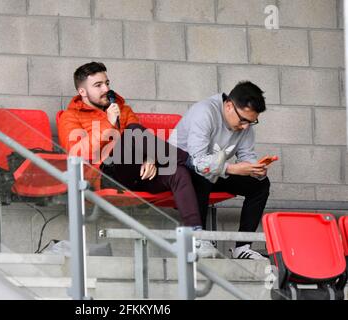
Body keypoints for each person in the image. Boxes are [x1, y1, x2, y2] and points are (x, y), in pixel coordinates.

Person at [58, 61, 218, 257]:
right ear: (82, 92)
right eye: (98, 85)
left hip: (137, 172)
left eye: (107, 82)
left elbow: (145, 140)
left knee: (178, 172)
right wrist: (108, 123)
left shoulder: (122, 109)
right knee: (132, 132)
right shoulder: (71, 116)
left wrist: (151, 158)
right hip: (105, 174)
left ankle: (195, 238)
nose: (106, 89)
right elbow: (75, 153)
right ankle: (194, 162)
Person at [169, 81, 270, 260]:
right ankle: (198, 239)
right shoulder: (205, 112)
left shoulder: (244, 125)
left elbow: (246, 154)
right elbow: (197, 161)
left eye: (252, 122)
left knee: (260, 185)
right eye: (243, 120)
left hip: (213, 172)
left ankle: (242, 247)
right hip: (181, 172)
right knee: (204, 173)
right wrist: (231, 168)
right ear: (229, 106)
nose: (246, 126)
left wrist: (255, 168)